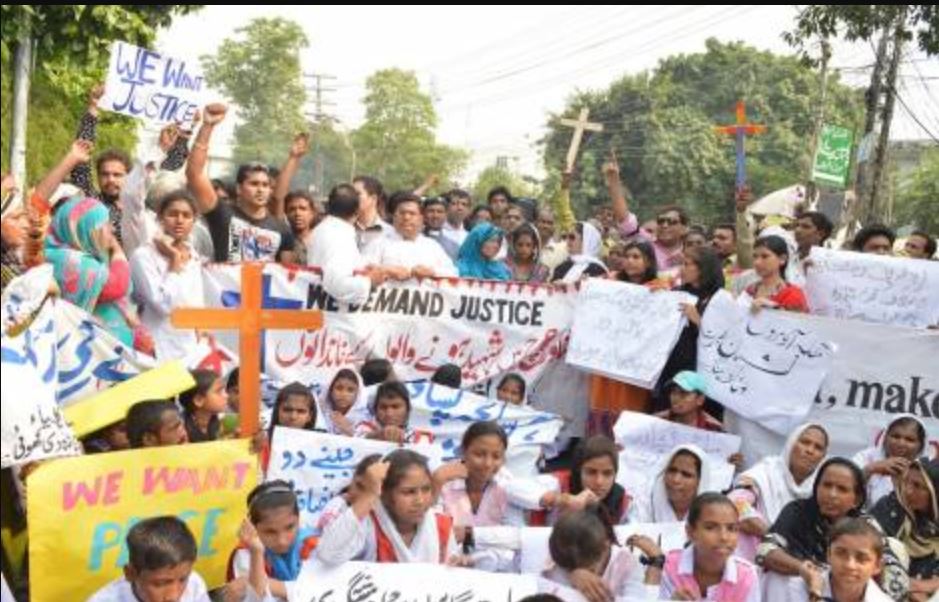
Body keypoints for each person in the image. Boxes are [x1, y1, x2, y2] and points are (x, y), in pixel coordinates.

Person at [757, 458, 909, 601]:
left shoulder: (865, 525)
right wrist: (803, 569)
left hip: (849, 591)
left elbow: (893, 574)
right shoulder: (798, 512)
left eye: (842, 489)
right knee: (775, 576)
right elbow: (765, 551)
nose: (831, 494)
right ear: (816, 487)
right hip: (800, 587)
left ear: (856, 500)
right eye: (827, 485)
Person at [185, 104, 295, 263]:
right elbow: (194, 174)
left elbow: (287, 273)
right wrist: (207, 126)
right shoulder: (222, 214)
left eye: (265, 185)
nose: (260, 190)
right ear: (239, 188)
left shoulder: (282, 230)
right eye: (254, 184)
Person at [314, 450, 460, 565]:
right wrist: (370, 494)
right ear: (385, 494)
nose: (420, 501)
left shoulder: (441, 526)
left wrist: (460, 564)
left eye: (426, 489)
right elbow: (328, 554)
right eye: (408, 492)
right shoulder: (369, 524)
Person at [45, 194, 149, 351]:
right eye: (105, 225)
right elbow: (118, 286)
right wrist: (118, 251)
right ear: (84, 229)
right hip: (90, 353)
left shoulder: (94, 254)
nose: (112, 230)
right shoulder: (72, 262)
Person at [729, 423, 830, 560]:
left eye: (818, 447)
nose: (810, 450)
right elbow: (735, 503)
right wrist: (774, 536)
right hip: (749, 558)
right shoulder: (767, 471)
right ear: (791, 443)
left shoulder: (820, 489)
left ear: (823, 456)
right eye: (805, 442)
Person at [130, 191, 205, 360]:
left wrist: (200, 337)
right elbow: (162, 305)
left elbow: (197, 304)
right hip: (158, 347)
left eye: (186, 215)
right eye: (173, 214)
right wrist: (174, 260)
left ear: (194, 220)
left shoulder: (193, 256)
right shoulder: (143, 256)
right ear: (160, 218)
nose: (180, 220)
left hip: (190, 349)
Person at [654, 246, 724, 412]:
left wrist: (698, 321)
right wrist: (658, 297)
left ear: (703, 268)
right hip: (672, 366)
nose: (681, 269)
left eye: (687, 264)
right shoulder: (678, 292)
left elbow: (724, 342)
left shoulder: (719, 299)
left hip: (699, 369)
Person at [540, 507, 660, 601]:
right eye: (571, 568)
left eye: (590, 569)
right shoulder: (563, 556)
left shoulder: (627, 564)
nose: (586, 575)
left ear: (605, 546)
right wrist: (572, 575)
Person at [659, 493, 761, 602]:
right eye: (711, 527)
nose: (724, 537)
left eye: (731, 528)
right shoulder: (668, 565)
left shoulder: (746, 576)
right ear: (690, 532)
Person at [227, 481, 319, 601]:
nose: (282, 541)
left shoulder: (312, 545)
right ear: (253, 527)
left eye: (290, 527)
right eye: (270, 532)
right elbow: (254, 599)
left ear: (298, 519)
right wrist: (257, 553)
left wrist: (273, 586)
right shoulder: (247, 552)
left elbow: (329, 590)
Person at [87, 516, 209, 602]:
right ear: (130, 573)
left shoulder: (194, 584)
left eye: (183, 580)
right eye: (160, 584)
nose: (174, 596)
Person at [871, 458, 939, 600]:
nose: (908, 491)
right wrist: (906, 585)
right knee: (893, 545)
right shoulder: (890, 508)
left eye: (917, 486)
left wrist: (927, 585)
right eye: (906, 482)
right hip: (887, 590)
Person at [307, 184, 385, 304]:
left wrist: (364, 266)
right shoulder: (339, 235)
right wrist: (370, 281)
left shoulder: (323, 229)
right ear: (357, 211)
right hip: (332, 312)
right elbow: (336, 283)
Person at [791, 518, 894, 602]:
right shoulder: (794, 590)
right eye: (841, 554)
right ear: (829, 554)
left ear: (877, 566)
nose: (850, 565)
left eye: (861, 558)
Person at [366, 191, 457, 279]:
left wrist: (432, 271)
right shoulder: (379, 243)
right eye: (402, 213)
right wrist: (387, 270)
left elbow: (453, 273)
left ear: (421, 218)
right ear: (394, 217)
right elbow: (363, 270)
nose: (406, 217)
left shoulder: (432, 246)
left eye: (412, 214)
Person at [853, 414, 929, 507]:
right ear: (885, 437)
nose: (901, 443)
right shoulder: (866, 457)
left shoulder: (926, 470)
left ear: (920, 445)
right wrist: (871, 469)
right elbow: (845, 485)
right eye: (896, 437)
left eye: (909, 440)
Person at [628, 445, 713, 523]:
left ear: (700, 481)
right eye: (672, 470)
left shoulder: (711, 513)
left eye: (686, 475)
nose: (676, 480)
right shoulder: (644, 505)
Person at [743, 235, 809, 313]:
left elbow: (797, 320)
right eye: (755, 256)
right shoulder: (750, 290)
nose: (757, 262)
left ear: (782, 259)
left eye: (765, 256)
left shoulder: (793, 294)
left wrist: (774, 309)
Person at [356, 381, 433, 444]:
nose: (389, 413)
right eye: (383, 407)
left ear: (408, 409)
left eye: (395, 407)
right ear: (375, 410)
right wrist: (379, 435)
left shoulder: (422, 438)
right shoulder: (363, 428)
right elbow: (357, 439)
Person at [653, 371, 724, 433]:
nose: (676, 398)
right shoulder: (656, 422)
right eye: (673, 392)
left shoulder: (714, 429)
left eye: (683, 393)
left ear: (700, 399)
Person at [178, 369, 228, 443]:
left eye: (224, 390)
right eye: (218, 391)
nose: (226, 395)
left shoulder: (222, 422)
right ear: (198, 400)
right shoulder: (180, 430)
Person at [353, 175, 394, 256]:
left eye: (357, 194)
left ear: (373, 198)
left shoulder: (389, 233)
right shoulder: (344, 229)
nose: (351, 198)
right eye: (350, 194)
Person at [318, 369, 367, 437]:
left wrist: (349, 431)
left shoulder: (364, 419)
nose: (344, 394)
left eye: (350, 390)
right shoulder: (319, 412)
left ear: (358, 394)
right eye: (339, 388)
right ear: (330, 390)